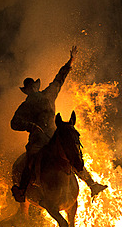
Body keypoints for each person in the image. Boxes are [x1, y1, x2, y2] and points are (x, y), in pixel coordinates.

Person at [11, 46, 107, 202]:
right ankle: (22, 190)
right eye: (30, 88)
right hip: (37, 141)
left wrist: (70, 61)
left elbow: (59, 79)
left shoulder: (48, 94)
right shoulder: (25, 106)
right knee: (30, 160)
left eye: (34, 86)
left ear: (36, 87)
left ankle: (92, 184)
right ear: (27, 91)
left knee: (73, 153)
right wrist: (32, 126)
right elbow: (14, 123)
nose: (33, 89)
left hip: (54, 136)